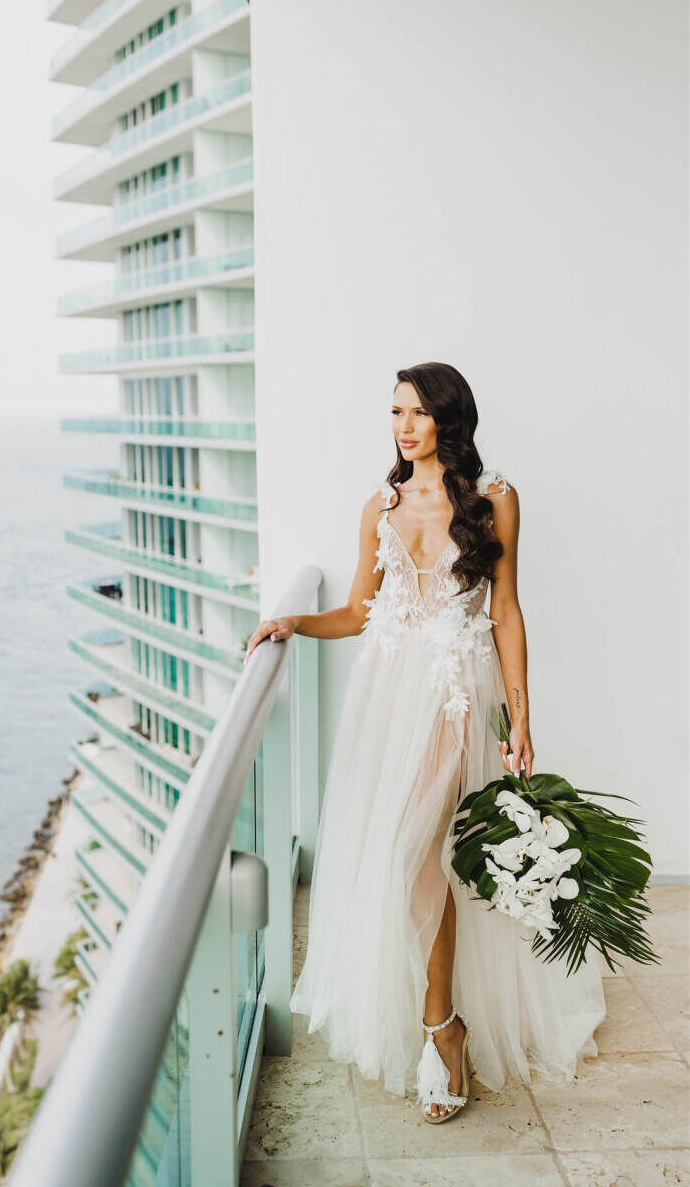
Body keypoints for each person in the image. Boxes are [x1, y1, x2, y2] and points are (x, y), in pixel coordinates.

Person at [244, 362, 606, 1123]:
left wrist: (522, 714)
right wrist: (293, 624)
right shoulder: (380, 504)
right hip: (385, 695)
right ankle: (444, 1020)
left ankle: (442, 1027)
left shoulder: (494, 498)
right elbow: (355, 610)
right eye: (396, 412)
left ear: (449, 419)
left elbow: (505, 609)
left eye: (417, 412)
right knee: (417, 856)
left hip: (453, 690)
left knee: (417, 848)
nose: (404, 426)